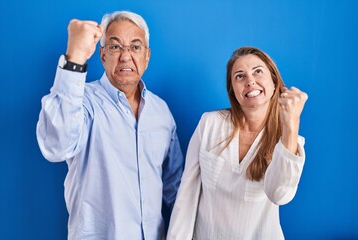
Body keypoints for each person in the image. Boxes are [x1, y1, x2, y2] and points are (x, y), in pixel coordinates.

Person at [36, 11, 184, 240]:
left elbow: (175, 188)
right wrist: (75, 57)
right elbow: (56, 146)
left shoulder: (161, 111)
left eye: (135, 47)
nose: (126, 56)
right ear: (102, 55)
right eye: (115, 47)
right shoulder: (81, 101)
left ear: (147, 56)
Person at [167, 46, 308, 240]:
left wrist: (291, 124)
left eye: (258, 71)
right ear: (233, 90)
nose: (250, 81)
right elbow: (186, 194)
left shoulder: (288, 141)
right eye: (240, 76)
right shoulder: (210, 123)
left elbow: (280, 195)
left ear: (275, 82)